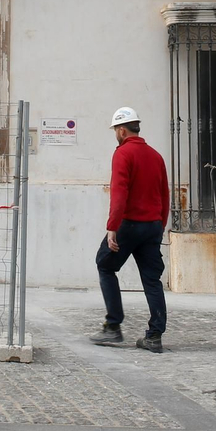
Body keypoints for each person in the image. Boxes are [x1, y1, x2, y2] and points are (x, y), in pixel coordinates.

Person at [90, 105, 170, 353]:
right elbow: (164, 195)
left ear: (122, 130)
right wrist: (160, 226)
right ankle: (154, 336)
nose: (116, 133)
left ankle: (113, 327)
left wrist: (112, 228)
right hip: (152, 226)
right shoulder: (156, 156)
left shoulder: (123, 154)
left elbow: (119, 193)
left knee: (105, 265)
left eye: (116, 129)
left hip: (129, 225)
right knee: (152, 279)